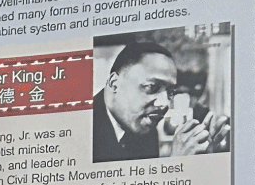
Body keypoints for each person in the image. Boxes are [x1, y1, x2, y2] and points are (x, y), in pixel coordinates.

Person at [91, 41, 230, 162]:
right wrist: (176, 163)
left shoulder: (147, 133)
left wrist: (201, 162)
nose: (165, 104)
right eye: (151, 87)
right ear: (114, 84)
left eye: (170, 92)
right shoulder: (83, 128)